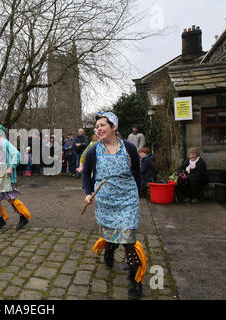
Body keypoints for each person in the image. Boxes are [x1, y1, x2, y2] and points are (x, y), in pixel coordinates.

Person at [82, 112, 146, 300]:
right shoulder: (94, 150)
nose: (99, 129)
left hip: (127, 198)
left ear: (114, 127)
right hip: (105, 200)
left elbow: (137, 173)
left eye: (103, 125)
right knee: (111, 234)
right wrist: (87, 193)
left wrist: (136, 194)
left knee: (128, 238)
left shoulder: (129, 147)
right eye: (97, 127)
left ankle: (135, 280)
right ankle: (109, 250)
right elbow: (86, 174)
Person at [0, 124, 31, 231]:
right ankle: (0, 219)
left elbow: (16, 154)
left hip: (5, 175)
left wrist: (11, 167)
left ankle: (23, 217)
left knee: (10, 198)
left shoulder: (5, 143)